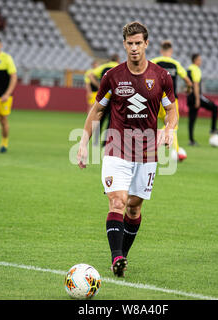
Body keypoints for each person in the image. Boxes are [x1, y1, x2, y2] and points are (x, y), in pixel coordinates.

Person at [77, 22, 177, 277]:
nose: (134, 48)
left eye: (138, 43)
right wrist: (83, 142)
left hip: (148, 153)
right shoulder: (112, 76)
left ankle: (122, 255)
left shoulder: (161, 77)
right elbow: (98, 109)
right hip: (116, 148)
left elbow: (172, 110)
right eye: (129, 43)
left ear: (146, 44)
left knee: (133, 207)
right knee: (118, 201)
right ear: (124, 44)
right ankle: (116, 257)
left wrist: (170, 129)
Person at [151, 41, 192, 155]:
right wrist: (188, 89)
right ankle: (162, 136)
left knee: (153, 122)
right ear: (171, 51)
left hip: (156, 98)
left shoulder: (154, 62)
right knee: (173, 124)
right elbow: (188, 81)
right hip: (170, 100)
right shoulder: (175, 64)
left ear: (161, 51)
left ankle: (177, 151)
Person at [186, 53, 218, 146]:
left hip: (189, 97)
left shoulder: (189, 69)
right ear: (195, 61)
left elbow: (188, 84)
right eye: (199, 60)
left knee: (192, 119)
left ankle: (191, 140)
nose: (200, 61)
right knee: (215, 107)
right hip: (196, 96)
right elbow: (195, 84)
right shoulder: (196, 69)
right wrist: (198, 98)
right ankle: (213, 128)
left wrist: (187, 91)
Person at [88, 55, 120, 144]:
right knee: (111, 119)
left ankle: (95, 139)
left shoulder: (103, 67)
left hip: (103, 97)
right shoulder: (118, 67)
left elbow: (90, 75)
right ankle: (105, 142)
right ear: (117, 60)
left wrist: (99, 85)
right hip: (113, 97)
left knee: (99, 117)